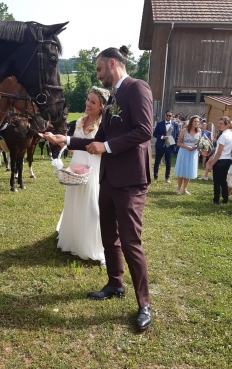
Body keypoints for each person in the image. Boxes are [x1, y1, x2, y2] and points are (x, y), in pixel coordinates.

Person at [43, 45, 153, 330]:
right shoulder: (114, 96)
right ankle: (115, 283)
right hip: (109, 179)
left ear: (113, 64)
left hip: (131, 180)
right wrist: (64, 140)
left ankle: (145, 304)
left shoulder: (138, 88)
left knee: (131, 242)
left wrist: (106, 146)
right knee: (109, 236)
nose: (98, 74)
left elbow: (144, 130)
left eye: (100, 68)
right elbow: (99, 136)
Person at [56, 88, 109, 267]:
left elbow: (102, 150)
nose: (87, 104)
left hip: (93, 170)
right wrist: (60, 141)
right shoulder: (79, 121)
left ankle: (98, 247)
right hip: (75, 169)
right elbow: (73, 147)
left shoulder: (104, 125)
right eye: (87, 100)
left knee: (94, 209)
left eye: (93, 102)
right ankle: (75, 241)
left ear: (102, 106)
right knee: (75, 205)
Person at [207, 117, 232, 205]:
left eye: (221, 124)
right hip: (228, 160)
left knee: (217, 181)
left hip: (220, 160)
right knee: (223, 180)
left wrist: (211, 164)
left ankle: (216, 200)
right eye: (219, 123)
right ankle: (225, 199)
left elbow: (219, 153)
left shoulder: (223, 136)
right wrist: (230, 152)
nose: (219, 125)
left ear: (227, 125)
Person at [174, 115, 201, 195]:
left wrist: (197, 146)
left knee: (189, 170)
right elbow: (178, 143)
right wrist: (186, 147)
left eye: (198, 122)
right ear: (191, 121)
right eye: (195, 121)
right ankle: (178, 188)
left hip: (193, 153)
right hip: (184, 151)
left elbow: (199, 142)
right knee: (182, 169)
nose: (196, 123)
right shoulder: (184, 130)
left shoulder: (199, 131)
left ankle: (185, 189)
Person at [153, 110, 180, 183]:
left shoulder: (175, 124)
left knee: (168, 162)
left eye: (170, 116)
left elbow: (177, 134)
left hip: (169, 145)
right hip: (160, 145)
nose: (168, 117)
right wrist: (162, 137)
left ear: (172, 116)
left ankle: (167, 178)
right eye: (167, 115)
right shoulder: (159, 124)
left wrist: (174, 143)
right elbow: (155, 134)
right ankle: (155, 177)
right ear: (165, 115)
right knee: (157, 161)